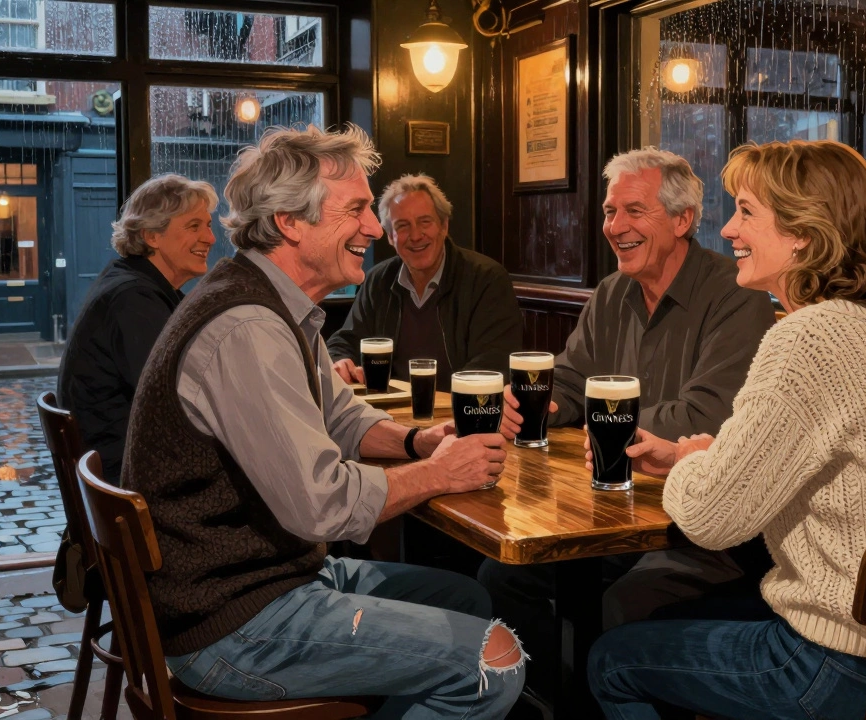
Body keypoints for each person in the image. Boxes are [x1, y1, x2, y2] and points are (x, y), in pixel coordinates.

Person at [122, 125, 525, 718]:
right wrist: (438, 474)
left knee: (467, 596)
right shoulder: (247, 327)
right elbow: (322, 505)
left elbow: (342, 416)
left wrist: (416, 441)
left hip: (272, 578)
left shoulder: (275, 300)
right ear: (290, 221)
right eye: (358, 209)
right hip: (228, 623)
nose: (373, 228)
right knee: (495, 659)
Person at [586, 140, 866, 720]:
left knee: (611, 661)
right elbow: (813, 461)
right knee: (648, 604)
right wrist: (704, 456)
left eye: (746, 212)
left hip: (842, 668)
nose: (728, 231)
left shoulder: (807, 338)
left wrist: (693, 464)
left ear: (804, 234)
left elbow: (711, 521)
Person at [480, 147, 775, 694]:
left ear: (683, 220)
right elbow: (570, 379)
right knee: (502, 577)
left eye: (634, 211)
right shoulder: (612, 292)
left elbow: (704, 416)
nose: (616, 226)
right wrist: (538, 404)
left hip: (700, 531)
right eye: (611, 212)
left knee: (624, 602)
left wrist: (597, 420)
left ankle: (595, 694)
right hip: (611, 512)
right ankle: (558, 696)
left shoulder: (735, 294)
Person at [56, 173, 218, 484]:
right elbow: (176, 402)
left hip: (124, 466)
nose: (210, 238)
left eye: (208, 226)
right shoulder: (132, 298)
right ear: (152, 236)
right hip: (130, 479)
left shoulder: (136, 283)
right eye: (193, 226)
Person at [327, 173, 522, 391]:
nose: (416, 235)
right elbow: (345, 341)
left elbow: (493, 362)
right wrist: (340, 360)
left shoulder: (487, 279)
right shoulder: (378, 280)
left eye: (425, 222)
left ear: (444, 226)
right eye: (402, 226)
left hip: (460, 412)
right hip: (388, 411)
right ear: (390, 237)